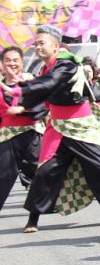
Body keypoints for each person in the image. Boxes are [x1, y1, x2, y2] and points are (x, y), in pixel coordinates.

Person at [1, 26, 100, 234]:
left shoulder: (66, 63)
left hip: (79, 124)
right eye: (35, 44)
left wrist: (19, 89)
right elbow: (44, 89)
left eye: (41, 43)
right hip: (57, 127)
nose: (37, 47)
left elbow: (50, 84)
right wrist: (24, 102)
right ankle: (33, 218)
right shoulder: (45, 68)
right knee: (44, 171)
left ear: (55, 45)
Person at [0, 46, 45, 211]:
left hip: (32, 132)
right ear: (2, 64)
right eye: (7, 60)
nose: (11, 63)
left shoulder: (30, 82)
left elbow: (43, 105)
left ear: (22, 62)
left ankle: (37, 209)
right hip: (6, 135)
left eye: (15, 60)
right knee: (3, 175)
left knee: (40, 172)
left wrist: (24, 108)